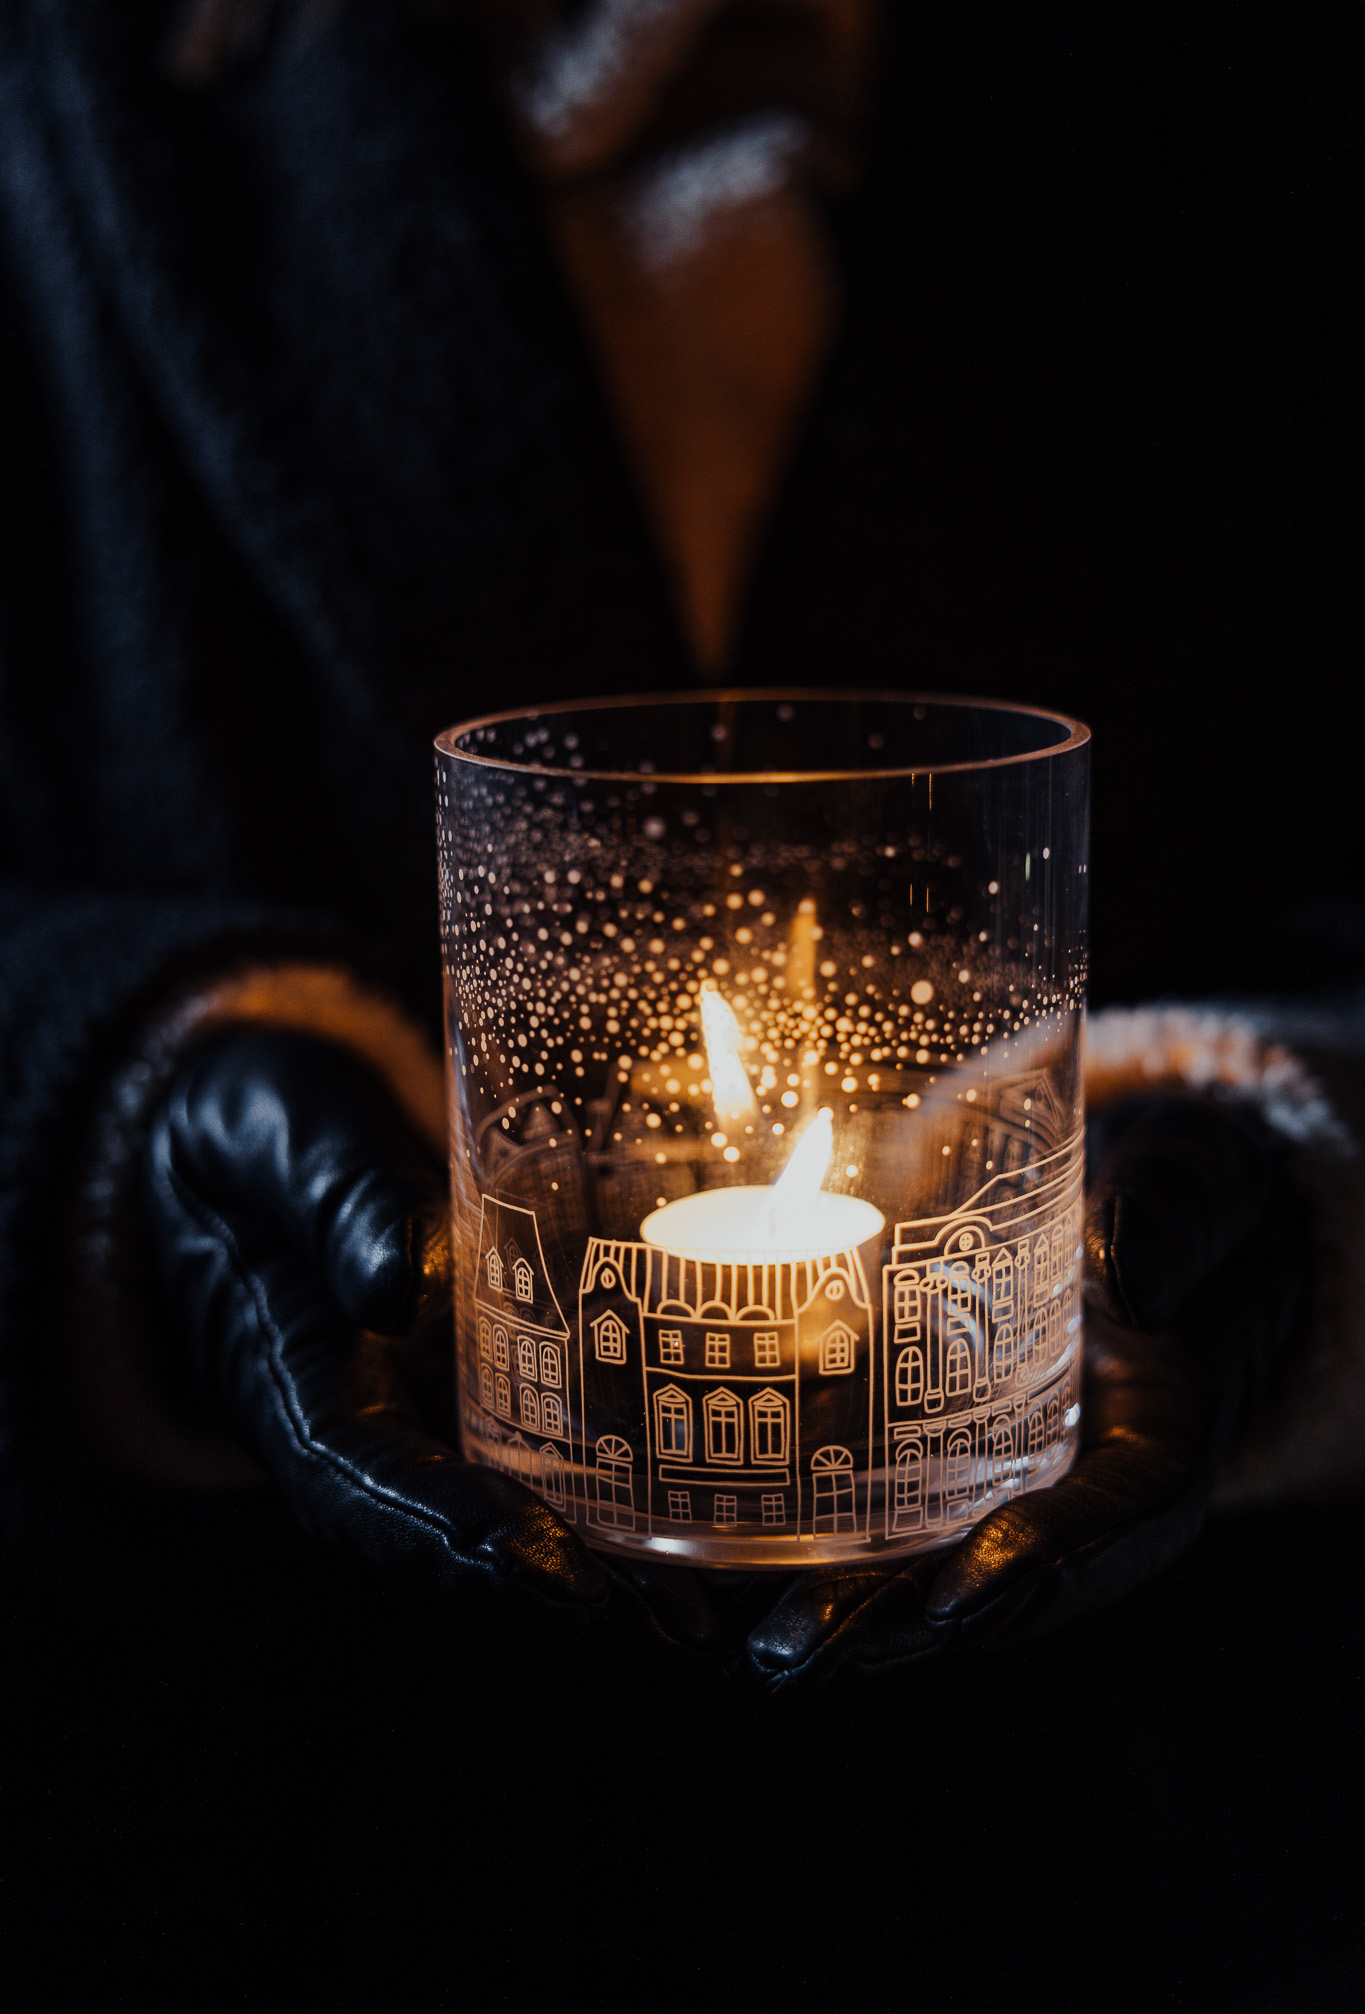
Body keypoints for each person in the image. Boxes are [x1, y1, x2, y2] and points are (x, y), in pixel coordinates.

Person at [2, 1, 1362, 1687]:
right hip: (271, 1787)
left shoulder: (1269, 80)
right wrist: (118, 1136)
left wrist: (1295, 1181)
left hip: (1162, 1807)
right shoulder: (62, 81)